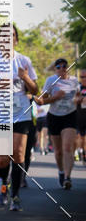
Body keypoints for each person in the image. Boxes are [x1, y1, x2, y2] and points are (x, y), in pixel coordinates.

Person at [0, 25, 38, 210]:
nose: (7, 39)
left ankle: (15, 195)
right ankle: (3, 186)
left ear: (16, 39)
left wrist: (26, 78)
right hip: (0, 115)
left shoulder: (23, 60)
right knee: (2, 159)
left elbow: (35, 90)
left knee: (18, 154)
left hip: (21, 114)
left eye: (11, 35)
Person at [41, 58, 80, 189]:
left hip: (70, 116)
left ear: (68, 68)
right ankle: (61, 172)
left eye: (64, 66)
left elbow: (78, 96)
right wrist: (56, 97)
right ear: (55, 69)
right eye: (58, 67)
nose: (62, 69)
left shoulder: (74, 81)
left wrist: (78, 99)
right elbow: (43, 101)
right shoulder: (51, 81)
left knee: (68, 147)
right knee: (58, 152)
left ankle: (68, 178)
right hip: (54, 117)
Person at [75, 70, 86, 163]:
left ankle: (84, 153)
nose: (84, 79)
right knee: (80, 138)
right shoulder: (78, 87)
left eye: (85, 76)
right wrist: (78, 99)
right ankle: (80, 151)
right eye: (82, 77)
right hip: (79, 117)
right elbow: (73, 100)